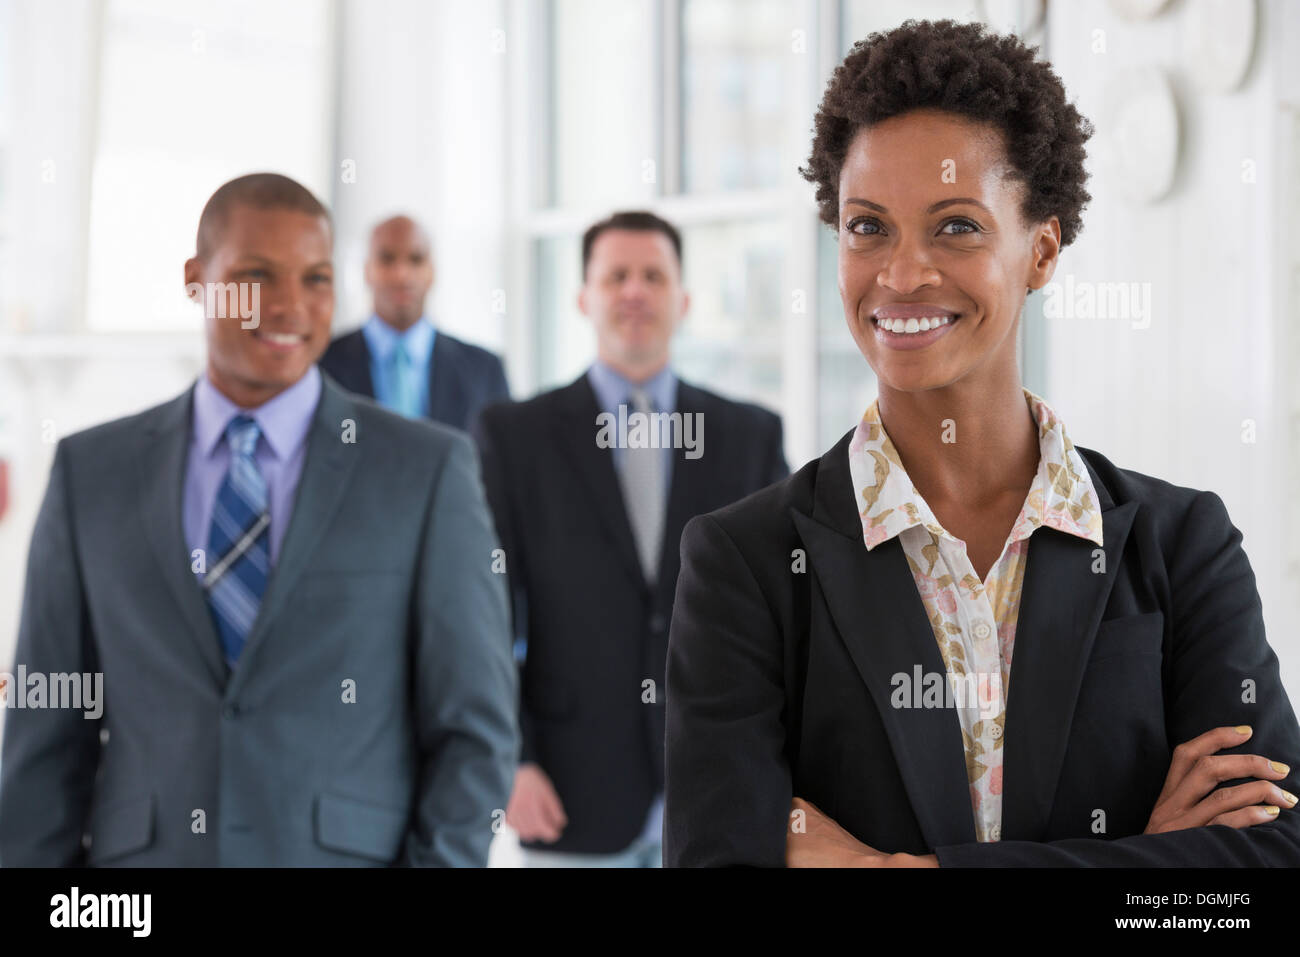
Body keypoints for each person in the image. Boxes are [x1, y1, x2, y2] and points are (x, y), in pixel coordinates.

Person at [664, 19, 1300, 867]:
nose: (901, 274)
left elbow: (1264, 864)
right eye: (867, 227)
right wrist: (1147, 858)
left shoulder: (1181, 547)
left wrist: (893, 867)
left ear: (1041, 249)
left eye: (956, 226)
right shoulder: (745, 564)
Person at [0, 173, 518, 866]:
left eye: (315, 279)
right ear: (196, 278)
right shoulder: (91, 473)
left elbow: (475, 729)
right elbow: (45, 723)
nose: (289, 306)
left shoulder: (424, 470)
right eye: (256, 276)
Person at [475, 211, 788, 866]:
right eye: (616, 275)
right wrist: (514, 758)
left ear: (685, 300)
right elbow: (484, 615)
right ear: (583, 298)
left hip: (720, 790)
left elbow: (785, 615)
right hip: (568, 793)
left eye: (653, 275)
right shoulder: (515, 436)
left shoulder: (748, 436)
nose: (635, 291)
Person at [320, 215, 510, 431]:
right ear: (366, 271)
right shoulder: (322, 364)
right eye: (387, 259)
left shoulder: (484, 369)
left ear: (432, 272)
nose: (402, 275)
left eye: (416, 259)